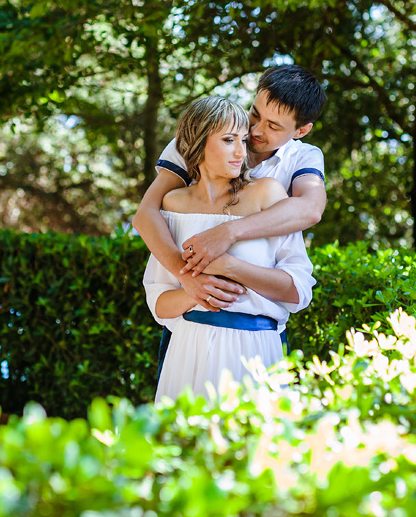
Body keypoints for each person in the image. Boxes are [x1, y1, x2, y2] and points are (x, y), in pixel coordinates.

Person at [132, 64, 327, 358]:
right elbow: (147, 212)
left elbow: (310, 209)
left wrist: (228, 232)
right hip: (189, 327)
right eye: (255, 114)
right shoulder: (201, 137)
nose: (255, 131)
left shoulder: (303, 157)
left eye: (273, 126)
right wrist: (185, 276)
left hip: (258, 332)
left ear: (301, 130)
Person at [142, 97, 315, 403]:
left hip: (256, 353)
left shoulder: (268, 194)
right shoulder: (172, 205)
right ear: (197, 143)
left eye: (243, 140)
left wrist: (226, 265)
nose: (241, 151)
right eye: (228, 140)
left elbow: (298, 289)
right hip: (187, 351)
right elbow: (158, 301)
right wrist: (192, 291)